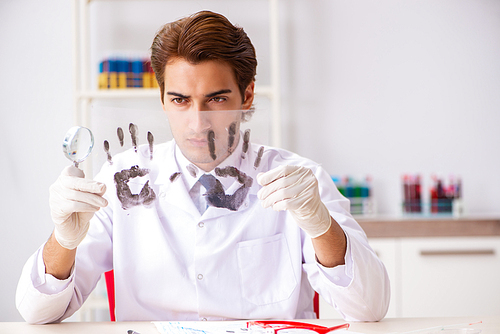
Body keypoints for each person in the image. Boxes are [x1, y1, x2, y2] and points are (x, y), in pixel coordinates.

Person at [16, 10, 390, 324]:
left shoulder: (299, 180)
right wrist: (63, 241)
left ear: (246, 96)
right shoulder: (123, 178)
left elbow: (369, 309)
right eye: (180, 100)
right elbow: (36, 313)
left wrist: (321, 225)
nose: (197, 122)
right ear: (162, 99)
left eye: (216, 99)